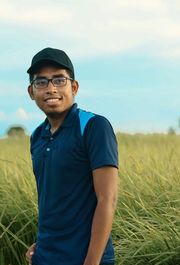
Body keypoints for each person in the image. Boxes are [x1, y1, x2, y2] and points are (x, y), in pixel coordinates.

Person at [25, 47, 119, 265]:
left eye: (59, 80)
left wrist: (92, 262)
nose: (50, 88)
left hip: (85, 259)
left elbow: (108, 199)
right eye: (42, 82)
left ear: (74, 87)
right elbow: (51, 201)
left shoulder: (93, 126)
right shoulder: (37, 136)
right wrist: (40, 245)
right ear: (31, 92)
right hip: (45, 258)